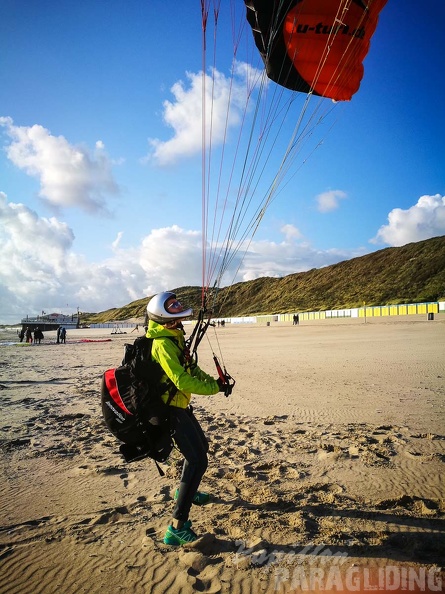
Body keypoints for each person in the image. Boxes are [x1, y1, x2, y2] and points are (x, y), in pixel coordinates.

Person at [145, 291, 227, 546]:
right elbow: (180, 379)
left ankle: (186, 492)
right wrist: (213, 390)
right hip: (169, 411)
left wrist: (215, 382)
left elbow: (191, 369)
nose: (178, 309)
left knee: (202, 448)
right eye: (173, 307)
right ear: (162, 316)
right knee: (197, 460)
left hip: (180, 406)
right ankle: (176, 527)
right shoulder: (162, 344)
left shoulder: (175, 337)